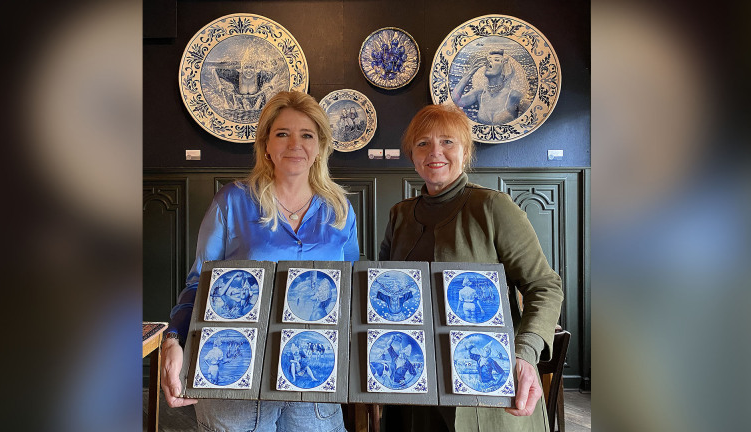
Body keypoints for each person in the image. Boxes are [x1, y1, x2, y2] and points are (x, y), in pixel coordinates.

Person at [160, 91, 359, 432]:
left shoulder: (339, 210)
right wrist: (173, 339)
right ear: (266, 144)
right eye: (282, 133)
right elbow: (199, 284)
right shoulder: (232, 201)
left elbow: (350, 289)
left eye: (306, 135)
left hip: (312, 375)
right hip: (235, 373)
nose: (295, 144)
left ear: (321, 146)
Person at [379, 102, 563, 432]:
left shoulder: (492, 207)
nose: (435, 151)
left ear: (465, 151)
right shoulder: (400, 215)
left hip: (484, 384)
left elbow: (544, 286)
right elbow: (383, 292)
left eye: (447, 141)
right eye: (423, 143)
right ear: (412, 154)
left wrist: (525, 354)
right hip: (412, 387)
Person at [450, 49, 525, 125]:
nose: (489, 62)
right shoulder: (480, 93)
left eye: (496, 60)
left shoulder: (514, 95)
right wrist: (468, 74)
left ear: (504, 67)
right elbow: (456, 101)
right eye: (488, 60)